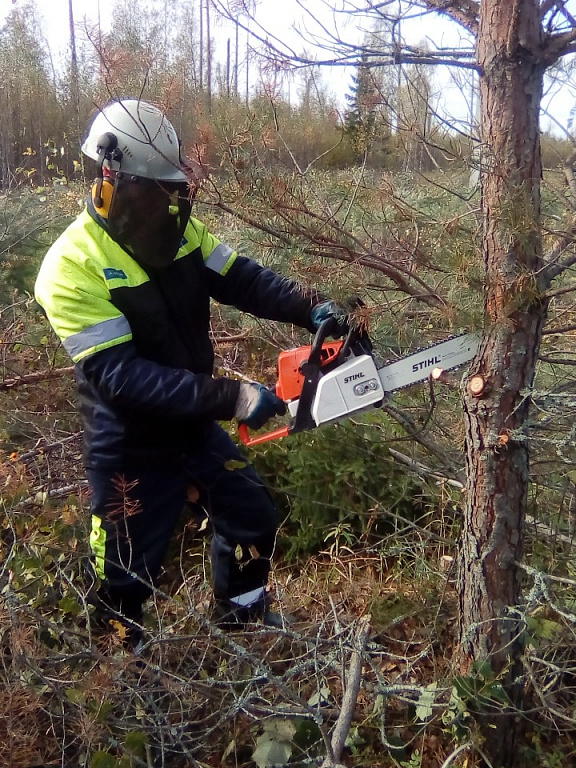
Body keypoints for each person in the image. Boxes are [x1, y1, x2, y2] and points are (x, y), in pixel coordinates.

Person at [34, 99, 346, 645]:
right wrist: (232, 397)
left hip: (192, 425)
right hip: (129, 444)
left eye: (170, 189)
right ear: (110, 179)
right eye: (152, 191)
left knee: (252, 516)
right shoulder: (70, 267)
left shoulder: (182, 231)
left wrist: (309, 306)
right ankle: (115, 671)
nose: (165, 203)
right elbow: (121, 377)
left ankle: (241, 617)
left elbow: (241, 278)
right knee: (123, 574)